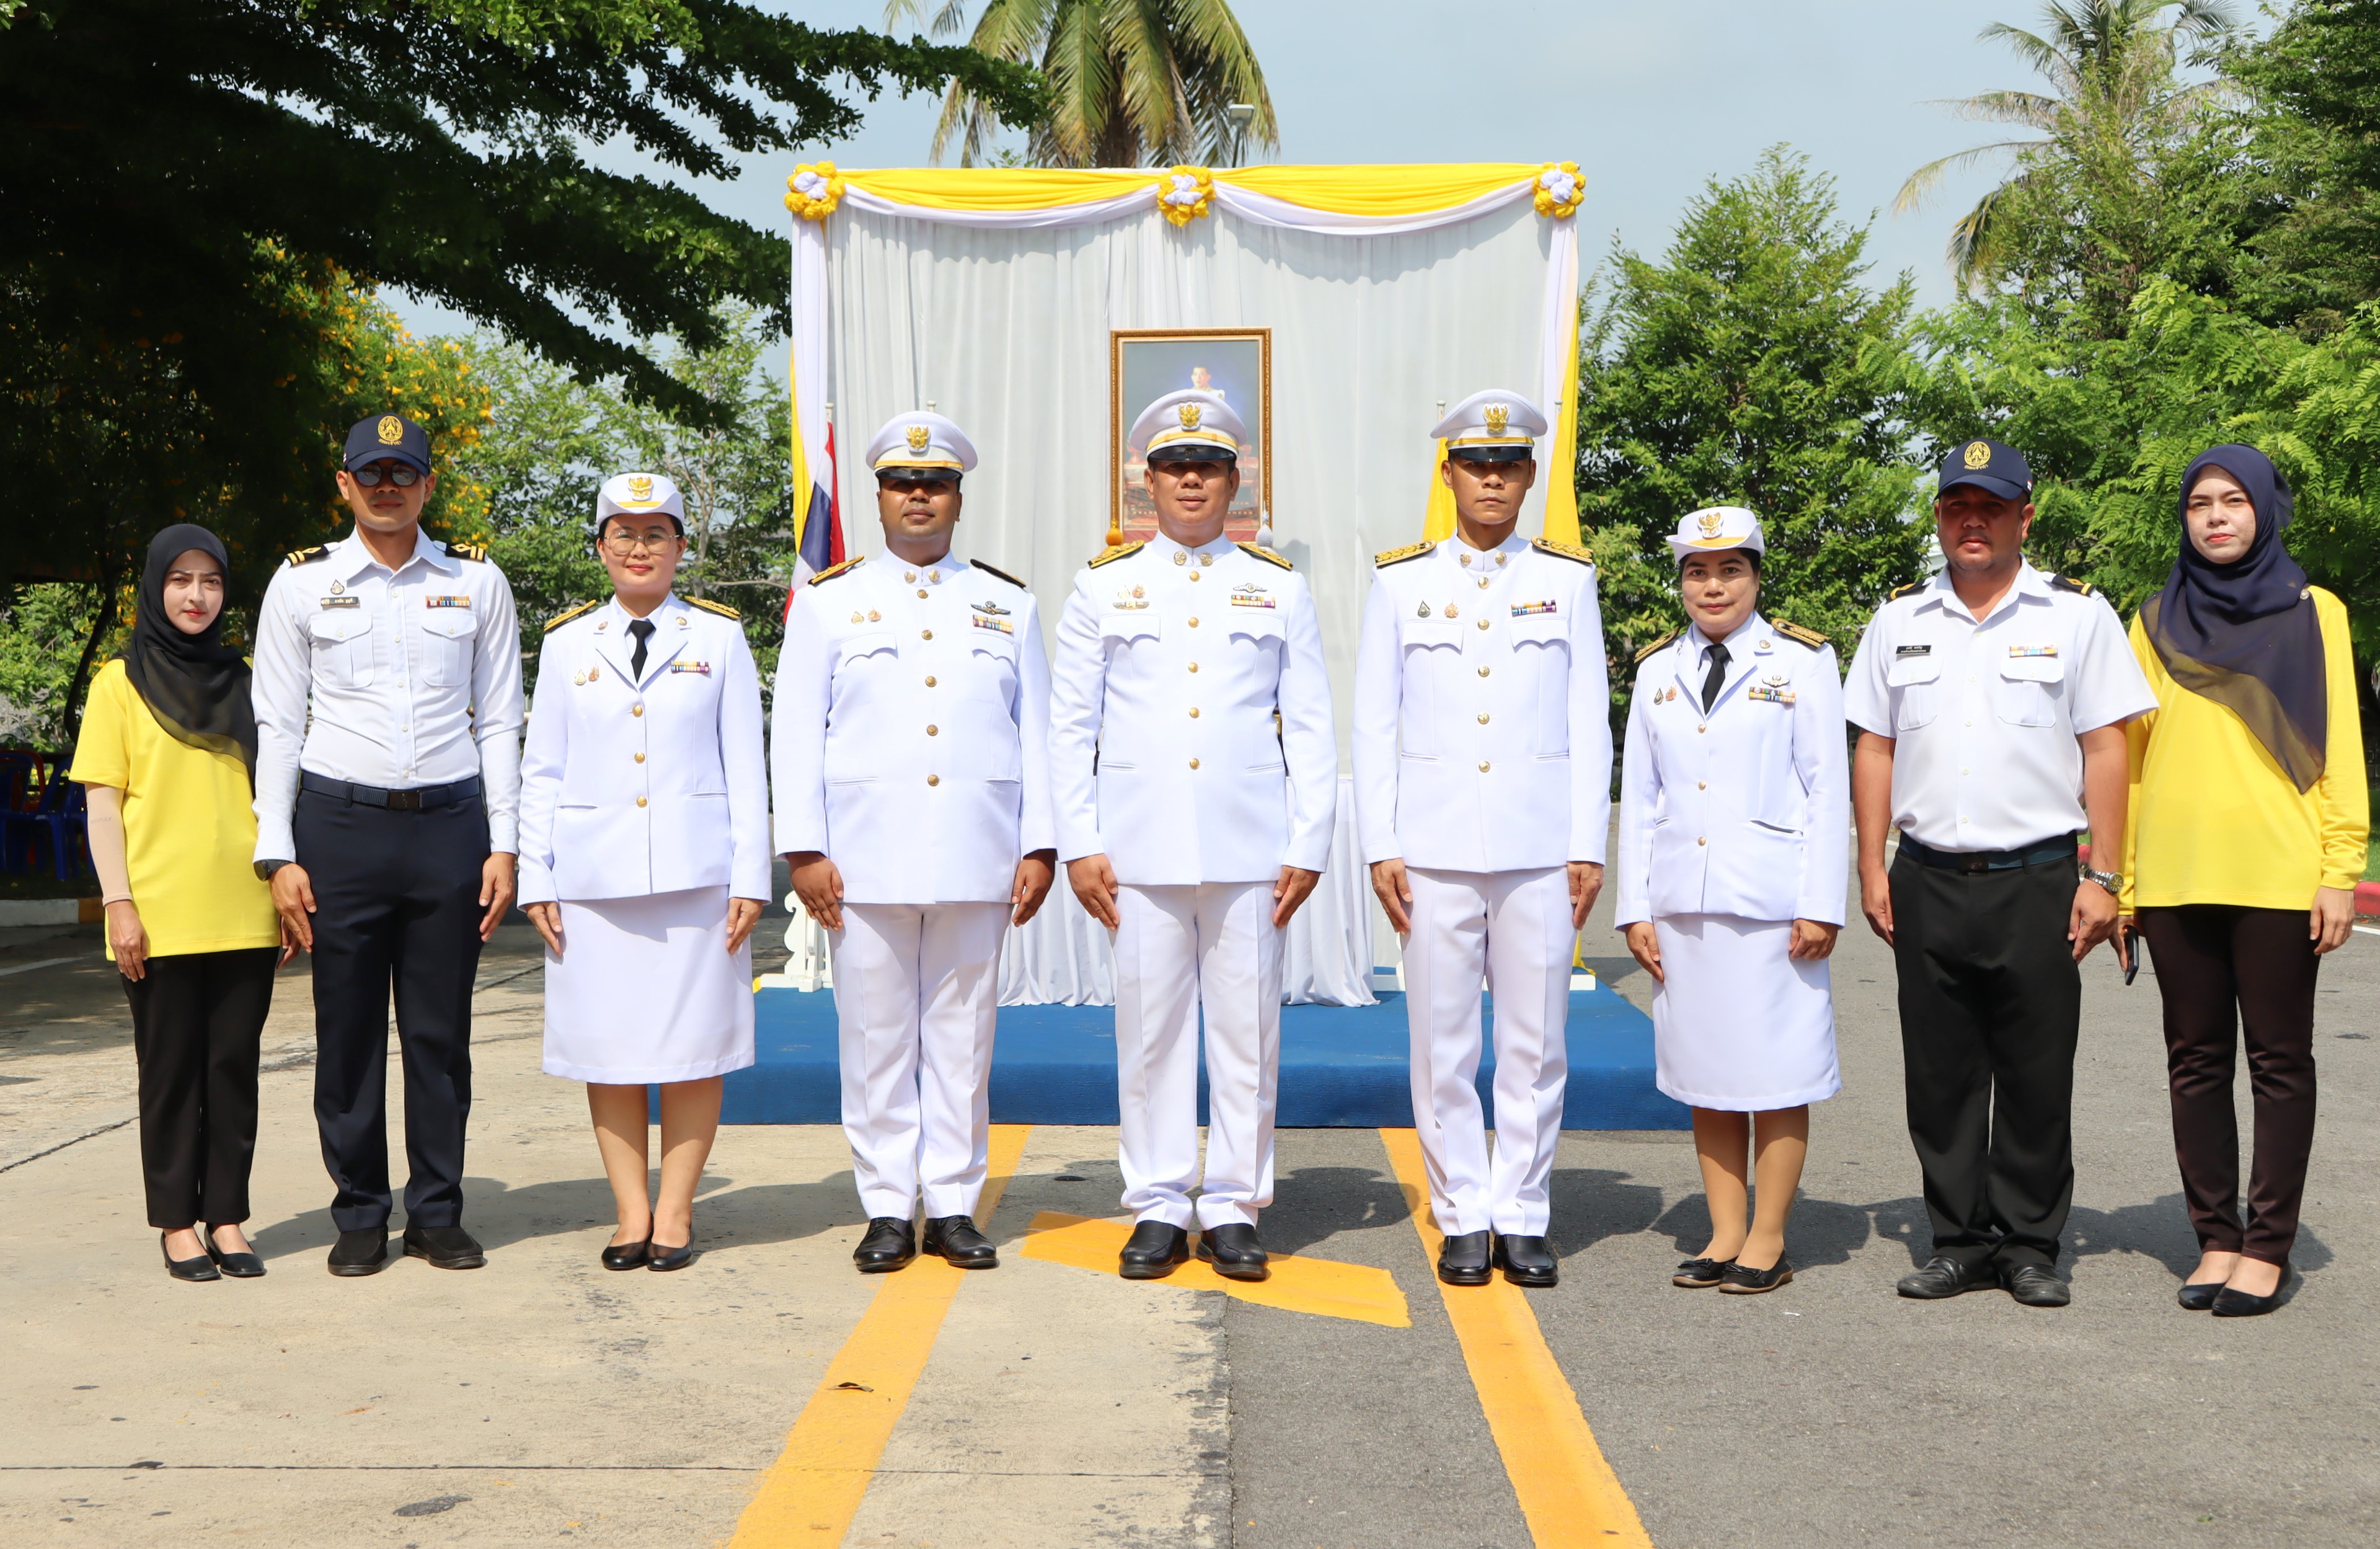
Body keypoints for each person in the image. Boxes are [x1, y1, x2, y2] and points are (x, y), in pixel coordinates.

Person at [1846, 438, 2157, 1308]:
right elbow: (1873, 746)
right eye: (1956, 506)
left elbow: (2106, 746)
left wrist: (2104, 875)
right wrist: (1869, 864)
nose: (1971, 521)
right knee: (1938, 1074)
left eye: (1989, 507)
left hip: (2038, 878)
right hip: (1926, 874)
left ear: (2024, 516)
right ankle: (1957, 1240)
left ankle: (2027, 1244)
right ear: (1938, 517)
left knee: (2034, 1070)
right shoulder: (1897, 618)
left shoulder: (2075, 615)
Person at [1050, 388, 1337, 1283]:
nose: (1189, 480)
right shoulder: (1102, 586)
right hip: (1136, 848)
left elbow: (1310, 723)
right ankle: (1159, 1201)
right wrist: (1078, 840)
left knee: (1248, 1034)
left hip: (1249, 845)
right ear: (1147, 480)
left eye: (1206, 466)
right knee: (1149, 1032)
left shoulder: (1277, 585)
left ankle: (1234, 1202)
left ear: (1232, 480)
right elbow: (1069, 726)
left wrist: (1308, 842)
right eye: (1174, 466)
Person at [774, 413, 1056, 1273]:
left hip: (977, 853)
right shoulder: (830, 601)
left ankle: (955, 1203)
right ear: (880, 497)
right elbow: (796, 731)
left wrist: (1039, 844)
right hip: (863, 860)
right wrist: (803, 849)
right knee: (875, 1039)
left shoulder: (1008, 603)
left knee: (963, 1041)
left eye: (934, 482)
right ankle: (888, 1205)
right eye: (902, 482)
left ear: (958, 497)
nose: (918, 495)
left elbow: (1036, 734)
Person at [251, 413, 524, 1277]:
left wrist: (505, 841)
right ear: (344, 483)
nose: (386, 487)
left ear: (427, 485)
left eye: (402, 473)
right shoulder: (301, 582)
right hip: (340, 827)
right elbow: (277, 723)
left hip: (449, 826)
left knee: (440, 1035)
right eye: (370, 472)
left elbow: (502, 719)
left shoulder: (476, 581)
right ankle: (361, 1212)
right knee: (348, 1032)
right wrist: (277, 851)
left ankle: (437, 1212)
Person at [1352, 390, 1611, 1289]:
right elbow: (1372, 722)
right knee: (1442, 1041)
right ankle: (1463, 1211)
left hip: (1539, 847)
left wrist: (1587, 842)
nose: (1491, 478)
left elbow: (1588, 720)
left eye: (1506, 464)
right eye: (1475, 463)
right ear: (1448, 473)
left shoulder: (1566, 580)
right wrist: (1380, 842)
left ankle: (1523, 1212)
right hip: (1431, 848)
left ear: (1529, 475)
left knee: (1536, 1042)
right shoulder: (1400, 581)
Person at [2120, 446, 2366, 1317]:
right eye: (2198, 503)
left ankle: (2265, 1246)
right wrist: (2122, 881)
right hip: (2175, 874)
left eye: (2232, 500)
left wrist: (2339, 868)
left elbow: (2338, 743)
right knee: (2192, 1062)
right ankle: (2214, 1238)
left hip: (2278, 873)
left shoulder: (2313, 611)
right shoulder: (2151, 620)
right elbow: (2129, 761)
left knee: (2277, 1061)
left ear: (2262, 508)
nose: (2216, 516)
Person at [519, 473, 769, 1271]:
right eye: (622, 533)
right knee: (609, 1049)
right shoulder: (566, 643)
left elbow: (746, 762)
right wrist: (535, 876)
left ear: (680, 547)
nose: (638, 547)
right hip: (591, 881)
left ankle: (676, 1209)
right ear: (600, 547)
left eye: (655, 532)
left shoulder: (719, 637)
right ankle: (630, 1210)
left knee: (695, 1047)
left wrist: (751, 874)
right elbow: (542, 768)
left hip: (698, 878)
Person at [1614, 507, 1846, 1295]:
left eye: (1729, 570)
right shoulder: (1657, 669)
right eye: (1697, 572)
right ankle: (1722, 1231)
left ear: (1754, 576)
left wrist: (1821, 902)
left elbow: (1826, 789)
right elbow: (1639, 796)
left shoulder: (1803, 661)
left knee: (1775, 1072)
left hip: (1772, 903)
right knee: (1706, 1072)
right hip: (1682, 902)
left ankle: (1767, 1236)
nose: (1712, 586)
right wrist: (1634, 907)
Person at [71, 525, 291, 1282]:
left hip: (244, 906)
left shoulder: (247, 680)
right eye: (180, 579)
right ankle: (175, 1223)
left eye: (211, 581)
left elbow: (276, 791)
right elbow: (103, 806)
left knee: (233, 1068)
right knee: (169, 1073)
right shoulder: (117, 681)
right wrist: (118, 902)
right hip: (157, 913)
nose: (197, 595)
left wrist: (284, 885)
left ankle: (226, 1217)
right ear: (154, 585)